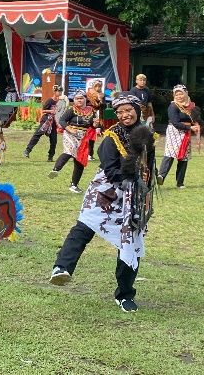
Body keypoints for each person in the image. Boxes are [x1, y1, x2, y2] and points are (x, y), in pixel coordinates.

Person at [49, 94, 156, 313]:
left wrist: (145, 187)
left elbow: (148, 165)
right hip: (106, 191)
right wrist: (127, 179)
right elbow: (110, 169)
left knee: (130, 243)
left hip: (133, 196)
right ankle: (62, 267)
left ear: (137, 110)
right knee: (84, 227)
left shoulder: (147, 135)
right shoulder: (111, 137)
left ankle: (125, 294)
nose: (125, 115)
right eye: (120, 112)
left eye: (128, 110)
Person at [48, 91, 98, 194]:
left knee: (80, 160)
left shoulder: (91, 111)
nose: (79, 100)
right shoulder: (71, 110)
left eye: (81, 98)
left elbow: (93, 126)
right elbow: (62, 120)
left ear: (85, 99)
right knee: (69, 151)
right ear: (74, 100)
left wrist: (96, 125)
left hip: (83, 137)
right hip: (70, 133)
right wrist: (69, 129)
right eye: (77, 99)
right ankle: (56, 169)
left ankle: (74, 185)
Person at [157, 84, 200, 188]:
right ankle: (161, 176)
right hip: (174, 132)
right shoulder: (173, 106)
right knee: (170, 153)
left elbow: (195, 118)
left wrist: (197, 125)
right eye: (176, 94)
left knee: (184, 157)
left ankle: (180, 182)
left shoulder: (191, 106)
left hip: (186, 133)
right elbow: (175, 122)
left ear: (185, 94)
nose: (179, 96)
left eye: (181, 94)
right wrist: (190, 128)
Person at [23, 84, 62, 162]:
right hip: (46, 121)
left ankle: (50, 157)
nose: (60, 92)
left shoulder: (60, 102)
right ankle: (27, 150)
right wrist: (50, 111)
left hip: (54, 123)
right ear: (54, 92)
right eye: (58, 91)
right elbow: (43, 110)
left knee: (54, 141)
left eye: (61, 91)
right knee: (37, 135)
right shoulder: (50, 101)